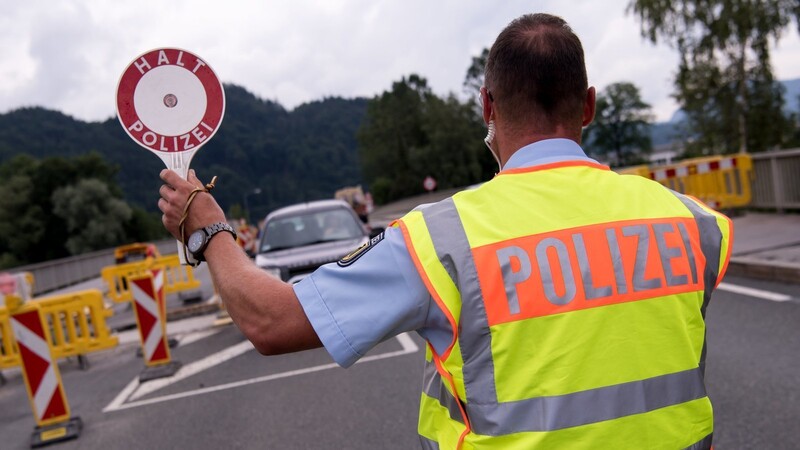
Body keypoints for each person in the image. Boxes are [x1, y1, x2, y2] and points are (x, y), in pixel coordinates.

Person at [158, 13, 732, 449]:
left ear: (487, 105)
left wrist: (210, 231)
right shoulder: (693, 223)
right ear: (588, 104)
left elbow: (271, 321)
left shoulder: (442, 239)